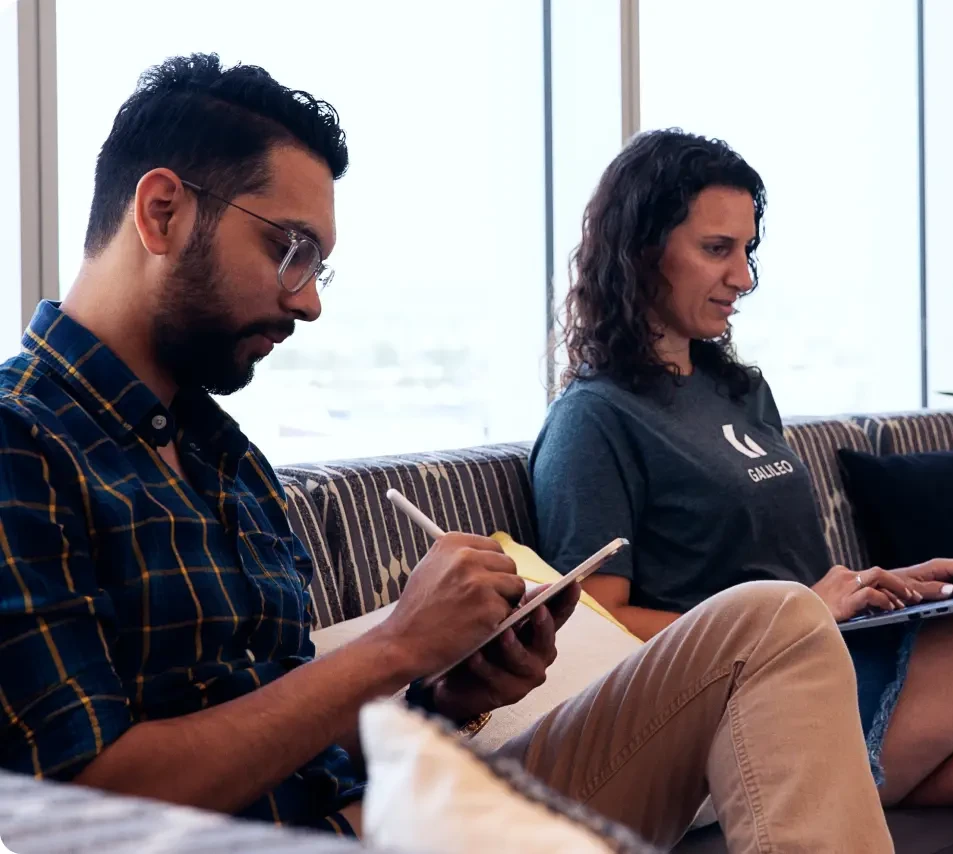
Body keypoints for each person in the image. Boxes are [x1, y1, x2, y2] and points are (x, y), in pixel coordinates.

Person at [0, 55, 893, 854]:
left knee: (772, 623)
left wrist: (446, 692)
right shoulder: (23, 442)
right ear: (162, 212)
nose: (308, 303)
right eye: (289, 250)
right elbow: (81, 801)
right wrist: (392, 646)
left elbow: (302, 723)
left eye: (317, 264)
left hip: (392, 812)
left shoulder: (224, 458)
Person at [530, 128, 953, 854]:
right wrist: (799, 611)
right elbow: (596, 629)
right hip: (743, 717)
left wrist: (889, 587)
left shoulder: (739, 392)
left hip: (824, 660)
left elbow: (792, 579)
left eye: (747, 251)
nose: (744, 277)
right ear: (637, 252)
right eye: (716, 249)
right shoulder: (592, 421)